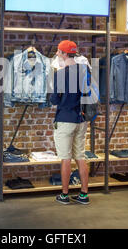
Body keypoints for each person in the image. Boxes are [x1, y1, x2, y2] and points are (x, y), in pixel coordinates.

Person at [50, 40, 90, 205]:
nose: (58, 54)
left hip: (65, 119)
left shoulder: (60, 74)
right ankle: (83, 195)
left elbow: (54, 100)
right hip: (81, 119)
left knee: (66, 158)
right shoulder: (85, 70)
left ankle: (65, 195)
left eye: (59, 52)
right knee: (80, 156)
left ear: (65, 54)